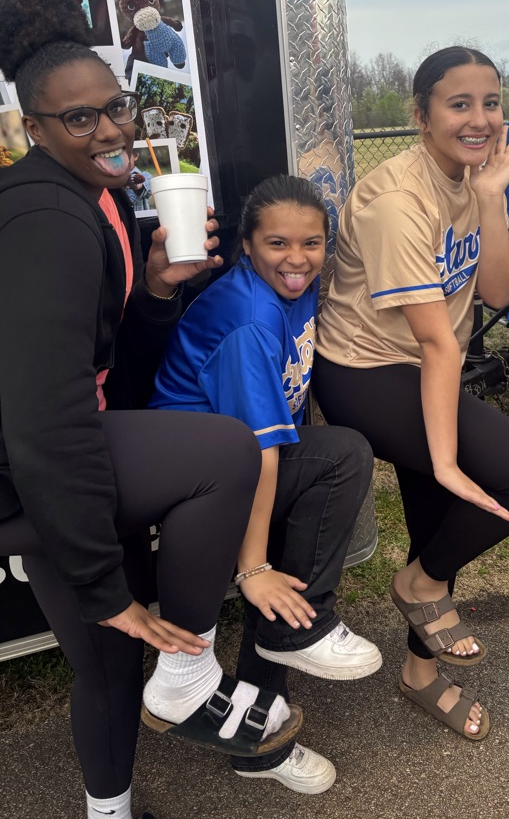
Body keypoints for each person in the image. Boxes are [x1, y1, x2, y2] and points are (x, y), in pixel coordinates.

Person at [0, 0, 301, 819]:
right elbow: (40, 414)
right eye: (78, 120)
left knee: (103, 663)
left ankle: (109, 811)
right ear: (36, 129)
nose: (109, 131)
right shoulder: (41, 218)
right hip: (35, 473)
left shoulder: (96, 200)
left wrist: (160, 288)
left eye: (115, 108)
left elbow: (105, 356)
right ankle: (190, 672)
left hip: (76, 456)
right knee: (223, 452)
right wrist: (104, 583)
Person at [311, 46, 509, 740]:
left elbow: (499, 293)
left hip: (424, 364)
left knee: (437, 528)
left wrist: (489, 201)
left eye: (491, 102)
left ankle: (420, 669)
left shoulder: (472, 181)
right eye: (459, 104)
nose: (479, 119)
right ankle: (419, 586)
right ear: (420, 116)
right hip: (366, 370)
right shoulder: (397, 201)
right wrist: (447, 460)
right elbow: (439, 342)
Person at [150, 174, 379, 793]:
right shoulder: (249, 316)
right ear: (247, 246)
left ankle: (262, 739)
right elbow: (260, 450)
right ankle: (290, 631)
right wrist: (252, 568)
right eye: (277, 244)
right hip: (194, 480)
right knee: (343, 457)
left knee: (295, 563)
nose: (297, 259)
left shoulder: (295, 286)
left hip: (237, 463)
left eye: (312, 243)